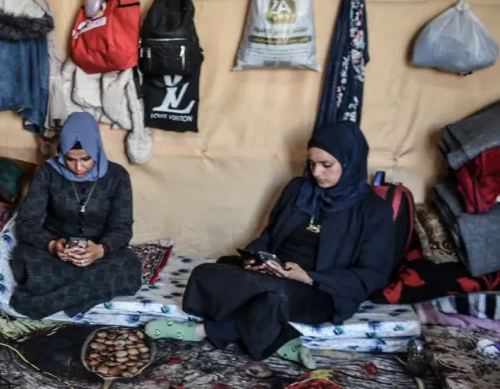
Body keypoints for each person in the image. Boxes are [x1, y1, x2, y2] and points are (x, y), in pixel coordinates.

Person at [146, 122, 395, 368]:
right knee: (207, 274)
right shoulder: (299, 189)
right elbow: (270, 234)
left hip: (322, 289)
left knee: (273, 296)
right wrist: (257, 258)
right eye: (312, 164)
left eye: (326, 165)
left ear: (350, 162)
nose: (317, 172)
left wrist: (308, 277)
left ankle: (203, 330)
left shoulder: (374, 211)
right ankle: (282, 338)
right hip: (274, 273)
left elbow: (372, 275)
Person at [10, 112, 142, 319]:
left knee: (129, 265)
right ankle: (87, 290)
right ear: (61, 152)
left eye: (86, 159)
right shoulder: (48, 172)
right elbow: (27, 222)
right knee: (23, 258)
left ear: (97, 150)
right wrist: (52, 245)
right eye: (69, 159)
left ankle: (39, 302)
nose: (78, 167)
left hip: (99, 252)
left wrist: (99, 250)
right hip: (55, 252)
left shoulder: (117, 176)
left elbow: (122, 227)